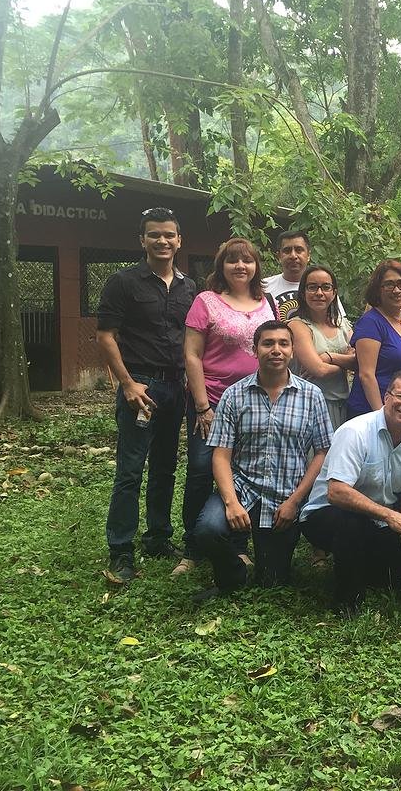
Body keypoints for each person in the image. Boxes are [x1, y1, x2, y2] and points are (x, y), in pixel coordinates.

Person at [193, 321, 333, 600]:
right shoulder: (234, 394)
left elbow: (322, 452)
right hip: (242, 489)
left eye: (283, 343)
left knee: (273, 582)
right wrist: (231, 503)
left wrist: (295, 502)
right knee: (208, 529)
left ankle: (265, 560)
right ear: (254, 349)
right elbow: (221, 454)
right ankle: (233, 573)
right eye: (268, 343)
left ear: (292, 351)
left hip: (284, 497)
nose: (276, 350)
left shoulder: (312, 396)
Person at [96, 208, 197, 583]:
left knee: (166, 468)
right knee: (130, 471)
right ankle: (121, 550)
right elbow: (106, 336)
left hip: (177, 387)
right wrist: (126, 383)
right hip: (140, 385)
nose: (162, 241)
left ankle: (157, 537)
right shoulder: (123, 282)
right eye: (154, 235)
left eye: (169, 234)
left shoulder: (191, 287)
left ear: (179, 240)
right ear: (142, 240)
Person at [299, 370, 401, 617]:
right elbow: (337, 492)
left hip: (377, 522)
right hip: (327, 516)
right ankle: (347, 598)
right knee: (352, 523)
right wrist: (390, 516)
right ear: (387, 397)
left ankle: (378, 577)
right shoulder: (355, 431)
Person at [179, 238, 276, 576]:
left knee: (243, 471)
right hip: (213, 401)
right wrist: (203, 406)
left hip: (254, 401)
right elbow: (191, 355)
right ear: (221, 265)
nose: (240, 266)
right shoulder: (206, 302)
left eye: (247, 260)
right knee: (202, 468)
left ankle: (238, 544)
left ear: (256, 267)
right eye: (232, 260)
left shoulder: (267, 302)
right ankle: (192, 548)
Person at [345, 260, 401, 419]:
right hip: (372, 410)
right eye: (389, 285)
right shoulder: (370, 322)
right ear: (377, 290)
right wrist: (381, 417)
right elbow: (366, 375)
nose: (396, 290)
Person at [289, 265, 356, 430]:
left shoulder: (343, 325)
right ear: (303, 293)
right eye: (312, 287)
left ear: (334, 293)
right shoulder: (297, 326)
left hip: (343, 404)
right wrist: (345, 363)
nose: (319, 293)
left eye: (326, 287)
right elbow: (319, 370)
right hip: (308, 407)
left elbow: (360, 360)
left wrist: (329, 358)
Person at [263, 230, 311, 321]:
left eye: (299, 250)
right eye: (287, 250)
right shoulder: (263, 286)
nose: (293, 256)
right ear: (279, 256)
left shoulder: (322, 289)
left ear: (308, 255)